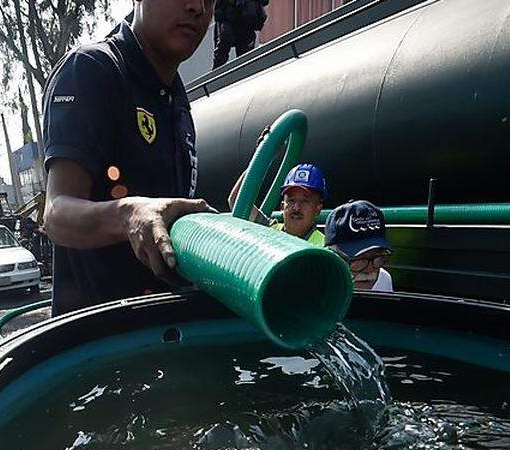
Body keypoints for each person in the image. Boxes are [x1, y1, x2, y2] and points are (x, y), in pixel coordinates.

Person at [42, 0, 215, 315]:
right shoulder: (92, 71)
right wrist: (130, 214)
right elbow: (55, 215)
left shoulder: (176, 100)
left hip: (164, 333)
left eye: (211, 0)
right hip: (100, 342)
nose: (197, 7)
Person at [228, 161, 327, 245]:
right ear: (282, 206)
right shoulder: (268, 230)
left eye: (305, 201)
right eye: (291, 200)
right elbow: (237, 201)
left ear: (318, 210)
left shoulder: (325, 250)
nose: (296, 208)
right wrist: (261, 159)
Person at [324, 200, 394, 292]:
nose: (369, 270)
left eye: (378, 258)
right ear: (332, 256)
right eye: (359, 260)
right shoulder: (312, 285)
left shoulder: (384, 280)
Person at [212, 0, 268, 68]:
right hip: (228, 16)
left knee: (245, 62)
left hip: (246, 20)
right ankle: (217, 75)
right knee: (223, 48)